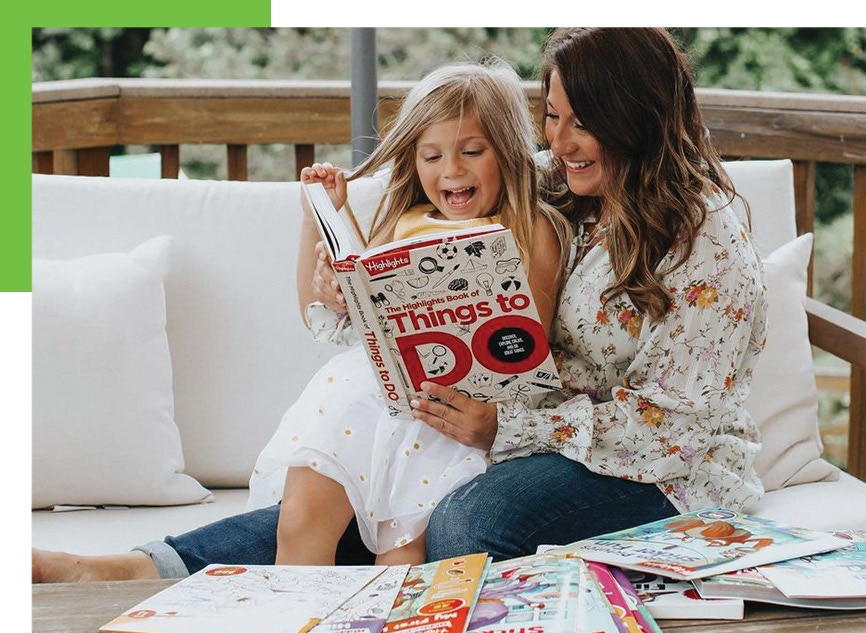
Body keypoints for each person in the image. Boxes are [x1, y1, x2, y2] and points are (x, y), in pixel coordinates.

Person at [32, 28, 766, 583]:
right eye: (551, 118)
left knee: (471, 519)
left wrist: (506, 428)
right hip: (525, 426)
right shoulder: (561, 182)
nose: (559, 142)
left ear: (635, 117)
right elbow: (459, 188)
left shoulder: (707, 246)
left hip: (663, 470)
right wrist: (343, 275)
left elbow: (671, 428)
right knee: (359, 491)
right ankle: (148, 568)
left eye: (580, 122)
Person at [249, 59, 564, 568]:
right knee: (300, 520)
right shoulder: (406, 221)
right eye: (432, 155)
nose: (451, 170)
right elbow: (326, 313)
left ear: (507, 152)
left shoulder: (530, 226)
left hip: (446, 416)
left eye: (471, 152)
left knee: (403, 556)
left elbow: (530, 342)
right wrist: (322, 224)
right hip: (362, 399)